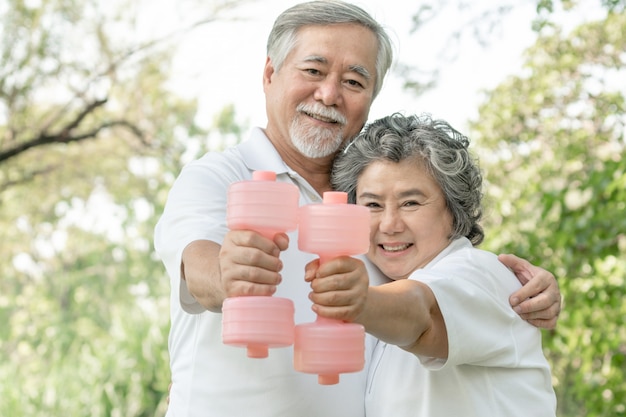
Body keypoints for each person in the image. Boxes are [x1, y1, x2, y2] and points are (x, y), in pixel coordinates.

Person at [154, 1, 561, 416]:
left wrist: (517, 287)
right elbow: (197, 263)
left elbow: (434, 294)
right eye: (313, 70)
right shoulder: (217, 177)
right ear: (270, 73)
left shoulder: (365, 208)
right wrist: (228, 272)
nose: (329, 94)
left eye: (353, 81)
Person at [305, 112, 557, 416]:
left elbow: (423, 316)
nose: (389, 224)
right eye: (372, 204)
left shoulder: (480, 272)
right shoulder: (383, 282)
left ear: (453, 209)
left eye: (410, 203)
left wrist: (358, 302)